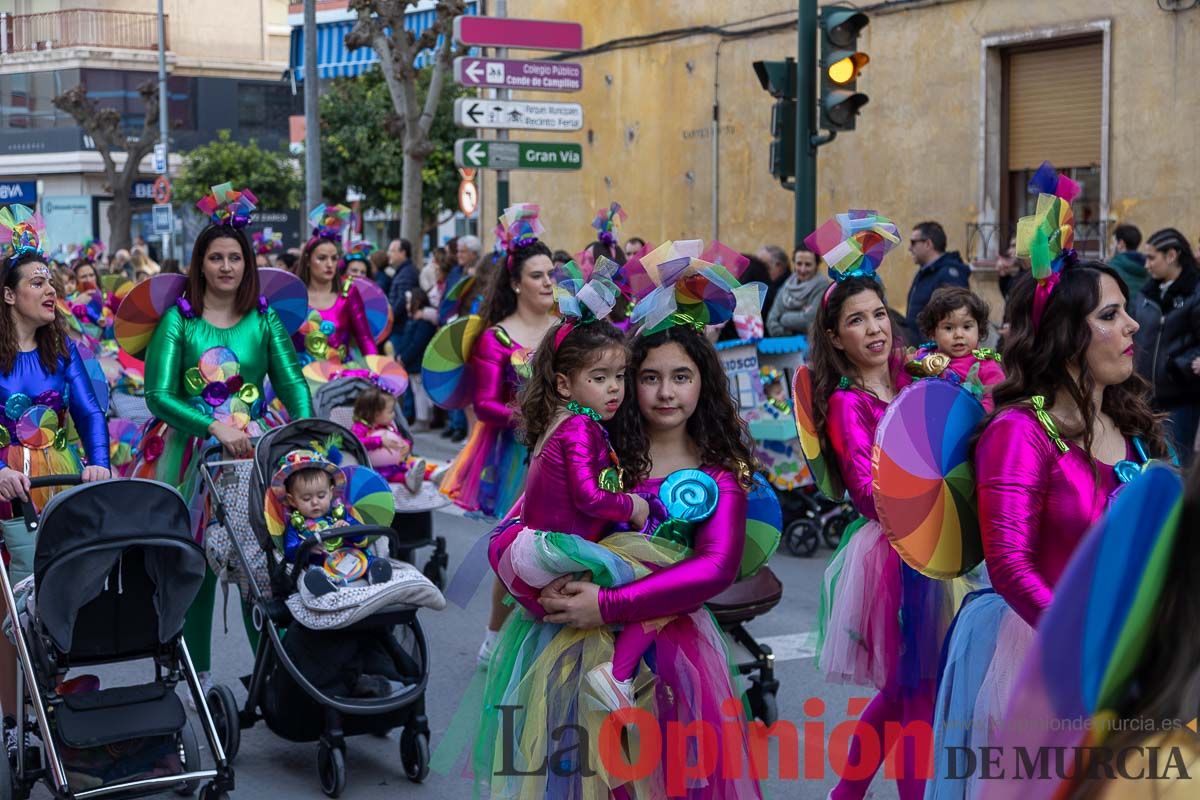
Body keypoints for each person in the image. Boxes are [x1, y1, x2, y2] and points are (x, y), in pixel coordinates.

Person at [477, 253, 763, 798]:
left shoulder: (718, 473)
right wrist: (544, 592)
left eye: (682, 376)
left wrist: (605, 606)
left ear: (704, 382)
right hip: (569, 651)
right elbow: (514, 527)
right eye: (648, 377)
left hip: (670, 660)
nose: (665, 393)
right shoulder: (604, 456)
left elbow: (714, 569)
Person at [927, 177, 1169, 797]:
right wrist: (1090, 646)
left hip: (1134, 652)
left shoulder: (1132, 424)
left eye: (1128, 312)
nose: (1132, 328)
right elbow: (1008, 566)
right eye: (1110, 316)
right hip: (1041, 653)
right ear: (1067, 335)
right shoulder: (1021, 430)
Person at [129, 184, 313, 700]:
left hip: (257, 456)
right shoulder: (179, 322)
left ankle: (273, 676)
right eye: (216, 257)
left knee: (263, 565)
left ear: (247, 263)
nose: (227, 266)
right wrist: (214, 426)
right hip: (189, 461)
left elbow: (294, 382)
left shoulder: (264, 318)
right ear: (200, 264)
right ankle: (197, 675)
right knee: (198, 566)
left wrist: (302, 435)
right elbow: (158, 395)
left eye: (235, 257)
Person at [804, 212, 951, 800]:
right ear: (836, 337)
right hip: (895, 552)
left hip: (935, 540)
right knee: (916, 690)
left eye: (879, 314)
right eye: (856, 320)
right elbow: (868, 489)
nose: (873, 328)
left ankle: (848, 791)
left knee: (910, 688)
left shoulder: (907, 374)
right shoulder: (847, 401)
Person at [491, 269, 655, 711]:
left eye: (620, 376)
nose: (615, 389)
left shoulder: (564, 421)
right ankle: (618, 676)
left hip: (542, 543)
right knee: (650, 582)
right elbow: (588, 496)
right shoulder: (581, 426)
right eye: (599, 378)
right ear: (565, 383)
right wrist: (634, 506)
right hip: (555, 547)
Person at [0, 206, 111, 746]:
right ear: (7, 295)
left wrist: (98, 460)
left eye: (52, 281)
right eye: (37, 281)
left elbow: (90, 413)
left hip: (62, 486)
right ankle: (15, 720)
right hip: (7, 492)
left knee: (64, 593)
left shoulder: (62, 349)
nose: (50, 289)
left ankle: (52, 693)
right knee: (14, 605)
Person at [439, 205, 556, 664]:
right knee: (517, 551)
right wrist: (538, 414)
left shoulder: (566, 330)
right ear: (515, 283)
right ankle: (494, 633)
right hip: (515, 455)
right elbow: (485, 405)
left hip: (568, 448)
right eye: (537, 275)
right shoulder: (497, 338)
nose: (548, 282)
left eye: (551, 274)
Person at [273, 448, 390, 597]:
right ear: (292, 500)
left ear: (331, 493)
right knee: (312, 572)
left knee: (369, 559)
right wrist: (305, 548)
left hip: (352, 558)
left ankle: (376, 572)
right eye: (306, 499)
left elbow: (362, 536)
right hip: (322, 563)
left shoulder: (339, 514)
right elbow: (289, 552)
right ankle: (324, 585)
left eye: (321, 496)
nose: (315, 502)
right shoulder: (297, 525)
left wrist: (348, 528)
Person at [1131, 227, 1200, 465]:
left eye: (1152, 257)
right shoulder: (1146, 293)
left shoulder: (1195, 293)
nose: (1146, 265)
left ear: (1171, 255)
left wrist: (1178, 365)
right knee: (1146, 463)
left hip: (1180, 399)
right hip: (1143, 398)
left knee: (1177, 464)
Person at [294, 204, 377, 366]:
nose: (330, 264)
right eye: (322, 258)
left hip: (340, 382)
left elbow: (365, 338)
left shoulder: (348, 293)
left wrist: (377, 372)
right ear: (308, 260)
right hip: (301, 383)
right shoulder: (294, 296)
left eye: (334, 258)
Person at [898, 285, 1005, 411]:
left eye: (966, 327)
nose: (958, 335)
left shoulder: (985, 365)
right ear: (932, 333)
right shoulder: (923, 358)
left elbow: (996, 397)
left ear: (979, 330)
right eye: (948, 328)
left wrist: (977, 415)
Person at [351, 385, 424, 494]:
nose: (394, 415)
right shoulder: (360, 427)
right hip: (374, 468)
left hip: (396, 464)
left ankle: (433, 474)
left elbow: (398, 439)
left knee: (411, 464)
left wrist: (406, 444)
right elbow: (357, 442)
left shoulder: (388, 426)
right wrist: (379, 441)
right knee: (387, 476)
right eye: (390, 411)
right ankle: (408, 479)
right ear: (376, 414)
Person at [905, 220, 970, 339]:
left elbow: (954, 317)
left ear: (928, 244)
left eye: (913, 242)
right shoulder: (924, 272)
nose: (910, 248)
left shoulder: (949, 274)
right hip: (920, 349)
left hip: (935, 351)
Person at [393, 287, 437, 431]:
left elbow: (417, 343)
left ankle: (423, 419)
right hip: (413, 363)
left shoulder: (424, 323)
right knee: (416, 390)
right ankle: (422, 418)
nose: (406, 306)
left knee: (421, 392)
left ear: (417, 302)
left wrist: (404, 357)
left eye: (408, 302)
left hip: (419, 363)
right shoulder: (413, 321)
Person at [766, 243, 831, 337]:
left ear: (816, 265)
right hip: (783, 347)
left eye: (808, 265)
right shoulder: (787, 284)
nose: (803, 269)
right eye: (799, 264)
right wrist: (790, 333)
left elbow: (810, 320)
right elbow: (771, 321)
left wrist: (783, 318)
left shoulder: (822, 286)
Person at [385, 238, 419, 351]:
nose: (388, 254)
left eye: (392, 251)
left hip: (401, 329)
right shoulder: (402, 271)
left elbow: (402, 300)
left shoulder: (407, 273)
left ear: (403, 253)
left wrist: (389, 318)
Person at [1108, 222, 1148, 299]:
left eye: (1113, 243)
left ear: (1121, 244)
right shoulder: (1150, 267)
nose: (1111, 247)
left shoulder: (1110, 268)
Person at [756, 243, 790, 320]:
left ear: (778, 266)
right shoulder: (763, 283)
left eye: (763, 266)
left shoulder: (790, 287)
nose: (758, 270)